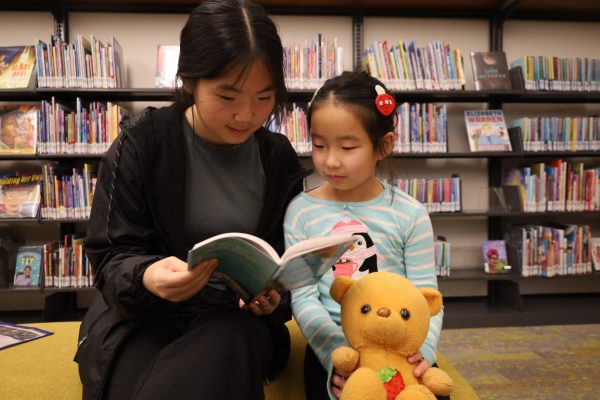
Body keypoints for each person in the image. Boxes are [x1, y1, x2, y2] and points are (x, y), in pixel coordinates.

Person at [74, 1, 306, 399]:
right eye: (227, 96)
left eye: (264, 98)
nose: (247, 116)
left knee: (226, 340)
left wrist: (275, 299)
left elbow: (288, 259)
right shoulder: (141, 143)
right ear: (188, 81)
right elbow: (111, 257)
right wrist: (148, 277)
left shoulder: (277, 157)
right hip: (142, 317)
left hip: (235, 320)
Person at [283, 71, 446, 400]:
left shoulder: (409, 213)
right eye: (318, 145)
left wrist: (423, 352)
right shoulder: (301, 212)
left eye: (347, 147)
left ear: (383, 146)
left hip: (401, 343)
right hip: (335, 347)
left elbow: (428, 297)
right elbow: (303, 297)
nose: (330, 160)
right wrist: (335, 355)